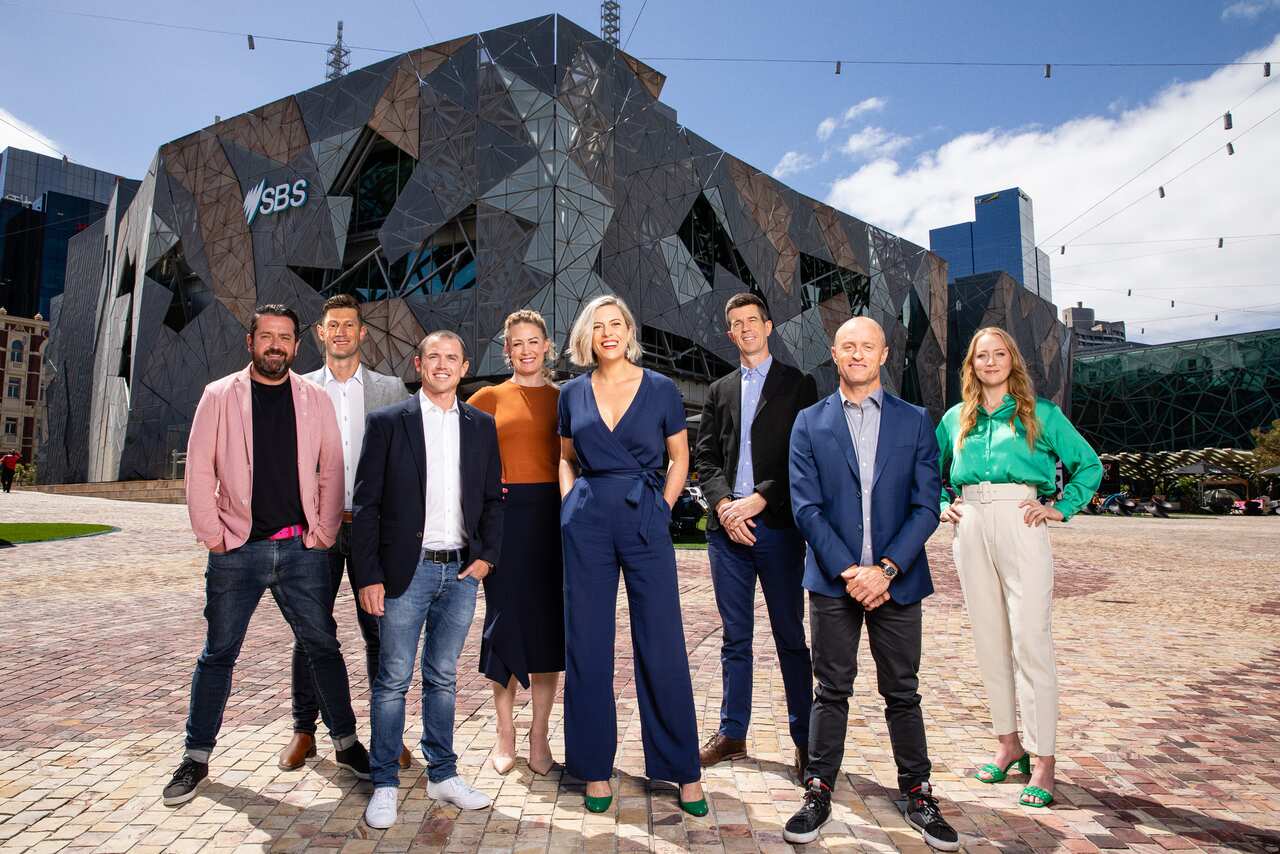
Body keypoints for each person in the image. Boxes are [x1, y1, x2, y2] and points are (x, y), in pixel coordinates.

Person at [164, 304, 370, 807]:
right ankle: (195, 756)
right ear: (250, 342)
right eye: (267, 337)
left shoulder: (314, 398)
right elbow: (199, 470)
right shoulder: (219, 396)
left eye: (285, 338)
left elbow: (331, 468)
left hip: (301, 549)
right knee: (218, 654)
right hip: (237, 550)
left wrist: (321, 533)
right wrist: (214, 536)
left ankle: (345, 743)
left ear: (297, 346)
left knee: (323, 646)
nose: (276, 345)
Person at [784, 317, 958, 850]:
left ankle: (919, 792)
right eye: (847, 347)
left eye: (867, 346)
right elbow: (806, 508)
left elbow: (927, 505)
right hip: (835, 583)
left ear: (884, 355)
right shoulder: (809, 423)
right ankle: (817, 789)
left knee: (902, 692)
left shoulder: (915, 420)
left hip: (897, 583)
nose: (857, 354)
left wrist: (884, 570)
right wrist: (850, 571)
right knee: (830, 690)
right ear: (834, 355)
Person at [936, 327, 1102, 809]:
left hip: (1021, 518)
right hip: (969, 523)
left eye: (999, 353)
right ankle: (1008, 745)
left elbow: (1088, 465)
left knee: (1031, 641)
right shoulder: (954, 420)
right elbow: (928, 468)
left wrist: (1062, 506)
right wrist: (941, 500)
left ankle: (1044, 758)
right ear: (971, 365)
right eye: (981, 355)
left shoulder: (1042, 415)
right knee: (989, 641)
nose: (990, 361)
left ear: (1013, 359)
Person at [557, 295, 707, 817]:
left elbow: (680, 457)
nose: (607, 332)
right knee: (588, 644)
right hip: (589, 521)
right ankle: (594, 767)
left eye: (616, 323)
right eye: (597, 326)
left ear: (628, 330)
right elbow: (565, 458)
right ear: (587, 336)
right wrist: (568, 505)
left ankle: (683, 771)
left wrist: (662, 508)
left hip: (645, 516)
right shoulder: (571, 393)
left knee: (662, 642)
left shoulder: (662, 388)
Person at [352, 330, 504, 829]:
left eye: (452, 358)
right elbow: (367, 505)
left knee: (442, 676)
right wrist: (367, 575)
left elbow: (491, 500)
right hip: (404, 571)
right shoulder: (388, 423)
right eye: (433, 357)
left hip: (460, 572)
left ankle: (443, 772)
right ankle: (385, 782)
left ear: (464, 368)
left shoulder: (482, 425)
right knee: (392, 679)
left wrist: (485, 559)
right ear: (419, 364)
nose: (442, 365)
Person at [279, 294, 411, 772]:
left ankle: (388, 734)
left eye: (349, 325)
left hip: (372, 530)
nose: (340, 332)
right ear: (320, 332)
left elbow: (406, 462)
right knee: (310, 632)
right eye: (332, 325)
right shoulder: (297, 388)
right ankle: (303, 730)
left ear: (362, 333)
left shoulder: (391, 389)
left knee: (380, 632)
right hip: (317, 529)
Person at [694, 292, 816, 779]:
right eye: (736, 322)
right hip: (728, 533)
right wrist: (725, 506)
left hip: (778, 527)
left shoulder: (797, 384)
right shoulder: (719, 390)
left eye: (752, 320)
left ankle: (806, 741)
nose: (745, 328)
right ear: (729, 333)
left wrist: (760, 499)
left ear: (768, 326)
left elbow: (802, 457)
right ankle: (732, 733)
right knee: (735, 638)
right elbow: (703, 458)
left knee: (790, 636)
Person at [467, 310, 563, 776]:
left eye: (533, 341)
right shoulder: (487, 398)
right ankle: (504, 733)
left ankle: (539, 735)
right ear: (507, 350)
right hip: (504, 520)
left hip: (553, 518)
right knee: (503, 626)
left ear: (547, 345)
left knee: (548, 630)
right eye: (516, 343)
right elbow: (463, 460)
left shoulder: (567, 398)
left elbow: (576, 460)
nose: (525, 350)